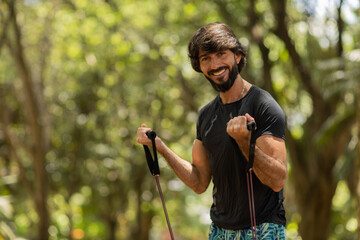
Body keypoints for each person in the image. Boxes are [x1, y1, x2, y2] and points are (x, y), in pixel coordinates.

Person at [136, 22, 287, 239]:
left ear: (237, 55)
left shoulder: (263, 105)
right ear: (199, 66)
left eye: (220, 54)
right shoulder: (206, 115)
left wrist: (245, 143)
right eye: (205, 58)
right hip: (219, 231)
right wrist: (160, 147)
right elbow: (199, 182)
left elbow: (277, 180)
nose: (214, 64)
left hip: (263, 229)